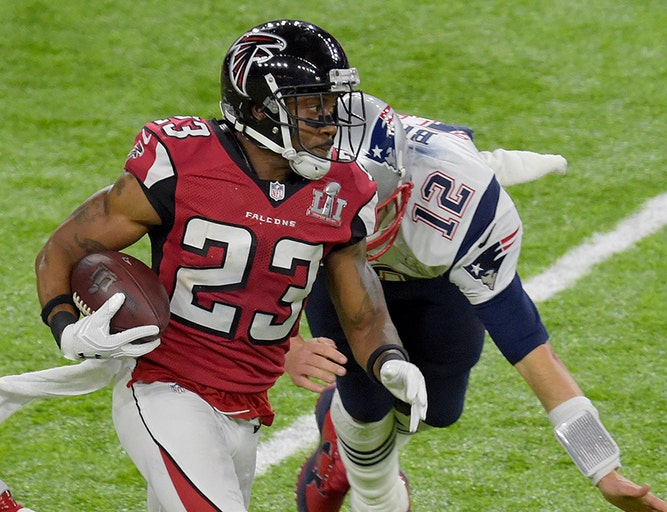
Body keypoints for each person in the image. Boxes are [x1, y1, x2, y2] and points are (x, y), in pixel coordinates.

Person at [34, 20, 428, 512]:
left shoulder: (344, 190)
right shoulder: (183, 161)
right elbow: (63, 247)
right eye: (311, 106)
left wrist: (390, 360)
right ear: (259, 109)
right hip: (164, 389)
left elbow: (362, 310)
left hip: (246, 406)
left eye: (330, 104)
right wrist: (66, 328)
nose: (328, 122)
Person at [289, 94, 667, 511]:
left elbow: (527, 343)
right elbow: (245, 284)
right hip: (336, 274)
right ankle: (374, 490)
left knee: (438, 408)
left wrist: (603, 468)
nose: (356, 230)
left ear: (401, 191)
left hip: (430, 273)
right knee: (365, 404)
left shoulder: (461, 210)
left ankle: (340, 427)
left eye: (368, 213)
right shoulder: (287, 186)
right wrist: (291, 348)